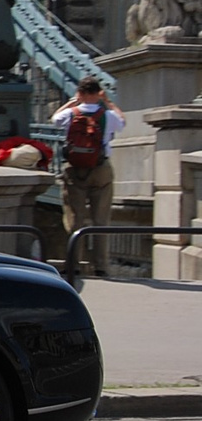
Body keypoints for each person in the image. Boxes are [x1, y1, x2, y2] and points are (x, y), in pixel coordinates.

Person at [51, 76, 126, 274]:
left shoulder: (71, 113)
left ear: (81, 93)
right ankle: (101, 267)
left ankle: (74, 266)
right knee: (101, 220)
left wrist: (72, 102)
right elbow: (122, 122)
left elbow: (54, 119)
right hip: (101, 168)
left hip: (75, 170)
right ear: (98, 93)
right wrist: (108, 102)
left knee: (75, 219)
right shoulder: (107, 115)